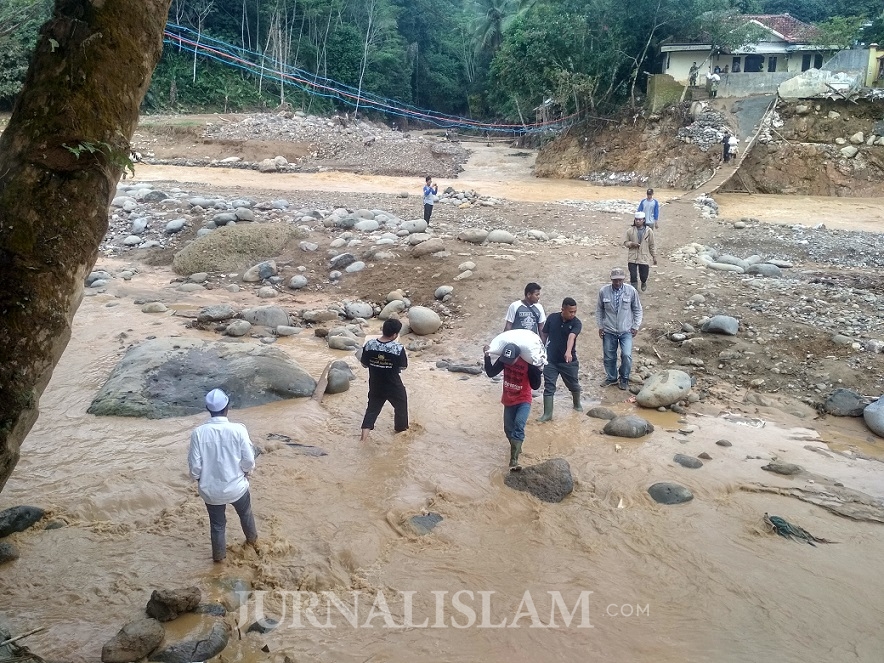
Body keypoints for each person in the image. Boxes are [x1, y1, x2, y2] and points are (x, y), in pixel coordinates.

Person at [188, 388, 258, 563]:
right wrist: (245, 472)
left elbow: (195, 466)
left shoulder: (198, 433)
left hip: (211, 492)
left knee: (217, 526)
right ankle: (254, 543)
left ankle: (218, 562)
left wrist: (199, 479)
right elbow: (248, 460)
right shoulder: (239, 430)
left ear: (208, 408)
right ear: (227, 408)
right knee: (246, 514)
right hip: (237, 487)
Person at [483, 342, 542, 470]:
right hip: (508, 399)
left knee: (519, 425)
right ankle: (516, 448)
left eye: (512, 360)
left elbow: (536, 386)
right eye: (507, 360)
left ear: (518, 356)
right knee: (508, 429)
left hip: (523, 400)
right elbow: (491, 373)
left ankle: (514, 460)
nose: (508, 362)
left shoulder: (528, 363)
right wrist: (487, 356)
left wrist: (538, 370)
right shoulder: (505, 359)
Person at [360, 318, 409, 442]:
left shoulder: (369, 344)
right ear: (395, 335)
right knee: (400, 408)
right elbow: (403, 366)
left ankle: (363, 439)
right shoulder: (398, 348)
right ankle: (400, 432)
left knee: (371, 410)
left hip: (375, 384)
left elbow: (364, 364)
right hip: (393, 385)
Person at [596, 268, 643, 391]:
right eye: (615, 280)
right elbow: (599, 310)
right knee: (609, 356)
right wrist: (600, 326)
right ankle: (611, 377)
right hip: (609, 330)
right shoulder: (603, 291)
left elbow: (637, 309)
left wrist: (636, 326)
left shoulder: (631, 291)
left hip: (626, 330)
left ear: (624, 279)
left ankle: (624, 378)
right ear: (611, 279)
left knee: (626, 355)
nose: (617, 283)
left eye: (620, 280)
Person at [537, 297, 582, 421]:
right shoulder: (552, 318)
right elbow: (544, 334)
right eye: (570, 312)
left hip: (568, 362)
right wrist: (540, 349)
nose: (573, 314)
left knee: (573, 384)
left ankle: (577, 404)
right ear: (563, 309)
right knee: (549, 386)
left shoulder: (576, 323)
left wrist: (568, 352)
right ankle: (547, 415)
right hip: (551, 360)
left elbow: (571, 337)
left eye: (575, 312)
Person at [624, 211, 657, 293]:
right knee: (633, 275)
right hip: (632, 257)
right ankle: (634, 291)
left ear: (644, 220)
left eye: (639, 219)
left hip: (644, 257)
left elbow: (651, 245)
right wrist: (631, 244)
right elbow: (625, 242)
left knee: (643, 275)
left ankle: (643, 282)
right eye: (636, 219)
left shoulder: (649, 232)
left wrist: (654, 256)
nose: (638, 221)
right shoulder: (630, 231)